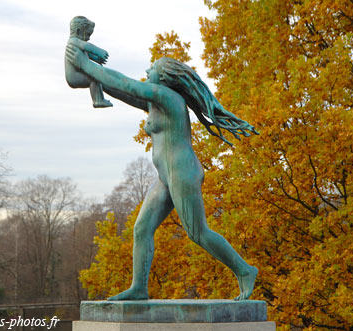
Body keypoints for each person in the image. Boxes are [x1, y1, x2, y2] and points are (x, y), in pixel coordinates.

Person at [66, 44, 259, 301]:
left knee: (197, 232)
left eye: (153, 67)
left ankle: (245, 270)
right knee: (142, 229)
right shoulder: (154, 101)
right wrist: (90, 72)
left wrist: (86, 63)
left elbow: (127, 84)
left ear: (164, 77)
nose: (148, 69)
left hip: (182, 172)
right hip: (165, 176)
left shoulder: (169, 98)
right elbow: (120, 88)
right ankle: (139, 288)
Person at [65, 16, 113, 108]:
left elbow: (87, 54)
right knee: (94, 78)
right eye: (87, 34)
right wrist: (99, 52)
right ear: (79, 31)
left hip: (76, 75)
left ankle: (99, 99)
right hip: (74, 76)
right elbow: (88, 47)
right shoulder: (73, 41)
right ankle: (98, 100)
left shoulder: (77, 45)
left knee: (95, 77)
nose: (88, 38)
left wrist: (97, 59)